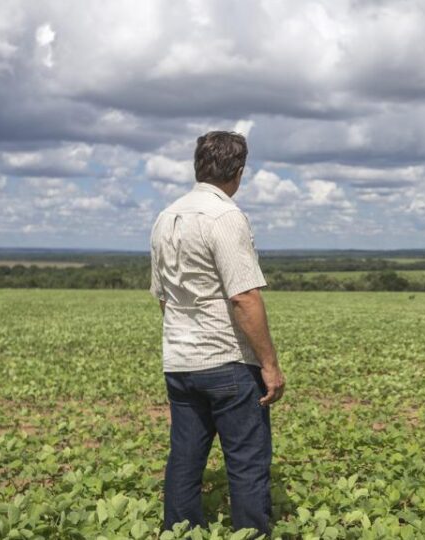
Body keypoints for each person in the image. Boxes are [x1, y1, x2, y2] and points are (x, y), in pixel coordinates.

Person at [149, 130, 285, 537]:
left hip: (179, 360)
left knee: (185, 460)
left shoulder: (165, 217)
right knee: (247, 462)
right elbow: (244, 297)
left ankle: (180, 532)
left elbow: (163, 298)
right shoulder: (226, 217)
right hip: (227, 362)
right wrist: (270, 365)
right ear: (239, 172)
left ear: (198, 166)